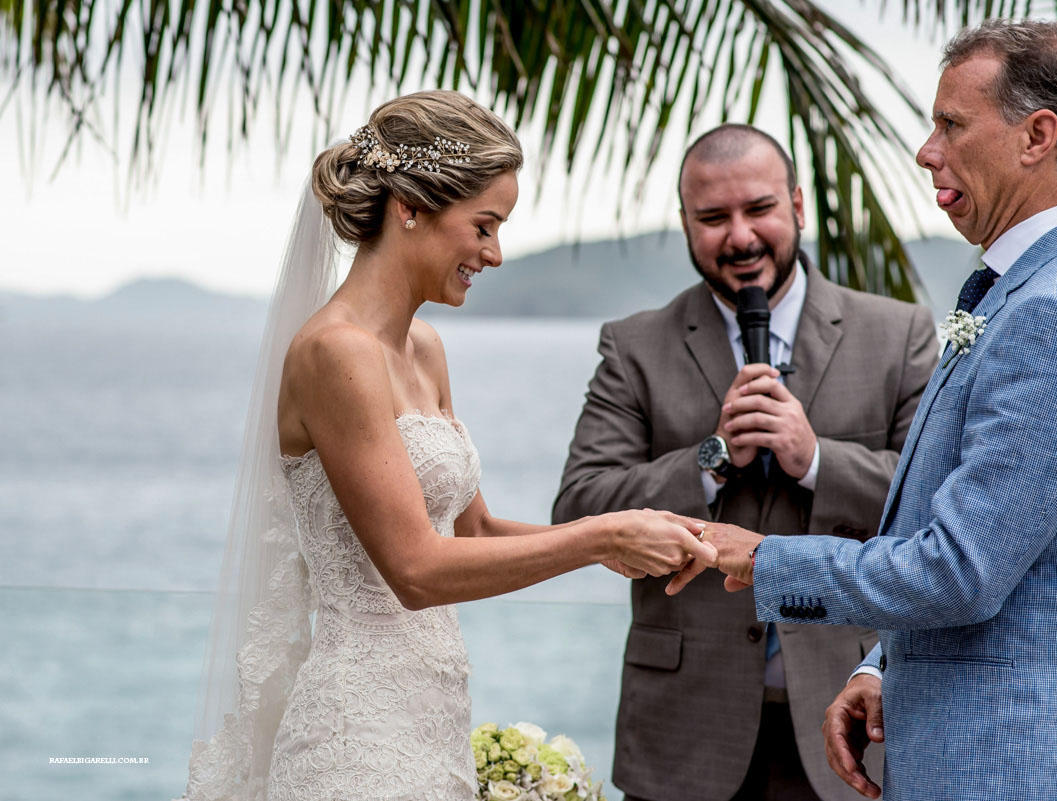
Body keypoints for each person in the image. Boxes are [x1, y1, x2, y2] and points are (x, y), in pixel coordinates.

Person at [174, 90, 716, 801]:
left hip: (433, 721)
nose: (494, 253)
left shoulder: (424, 349)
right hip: (355, 741)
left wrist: (631, 540)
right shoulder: (334, 352)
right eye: (484, 225)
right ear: (410, 208)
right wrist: (598, 532)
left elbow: (477, 530)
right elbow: (416, 568)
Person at [671, 19, 1057, 801]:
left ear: (1038, 135)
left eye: (951, 124)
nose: (928, 150)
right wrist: (882, 665)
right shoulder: (1044, 289)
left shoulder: (1054, 313)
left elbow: (962, 569)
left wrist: (763, 558)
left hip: (1005, 762)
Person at [552, 123, 939, 801]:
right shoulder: (634, 345)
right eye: (712, 218)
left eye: (758, 209)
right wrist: (712, 457)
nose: (739, 236)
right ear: (685, 224)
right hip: (682, 733)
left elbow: (934, 509)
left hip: (847, 727)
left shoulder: (898, 333)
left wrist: (815, 457)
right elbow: (581, 508)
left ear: (795, 203)